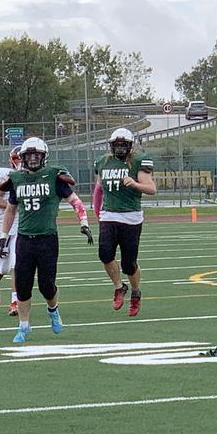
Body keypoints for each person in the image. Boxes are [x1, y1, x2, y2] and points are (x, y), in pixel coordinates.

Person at [0, 137, 93, 343]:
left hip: (47, 238)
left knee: (46, 285)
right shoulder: (17, 179)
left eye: (36, 155)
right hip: (24, 239)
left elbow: (75, 201)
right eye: (28, 156)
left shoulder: (54, 176)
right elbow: (10, 210)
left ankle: (53, 310)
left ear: (44, 157)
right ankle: (23, 326)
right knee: (22, 285)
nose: (32, 159)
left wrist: (84, 222)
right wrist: (3, 236)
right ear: (22, 158)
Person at [92, 128, 156, 316]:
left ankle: (135, 293)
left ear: (130, 146)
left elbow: (152, 189)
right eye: (117, 145)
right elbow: (98, 190)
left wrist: (135, 184)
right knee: (104, 254)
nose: (120, 148)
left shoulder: (137, 162)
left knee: (129, 264)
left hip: (131, 217)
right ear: (112, 146)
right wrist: (98, 213)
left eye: (123, 145)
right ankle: (119, 287)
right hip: (109, 215)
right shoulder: (103, 162)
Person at [0, 146, 22, 316]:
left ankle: (15, 302)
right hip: (2, 227)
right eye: (19, 159)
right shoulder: (6, 175)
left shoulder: (35, 176)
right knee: (4, 267)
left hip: (21, 226)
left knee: (17, 264)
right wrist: (14, 207)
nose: (22, 162)